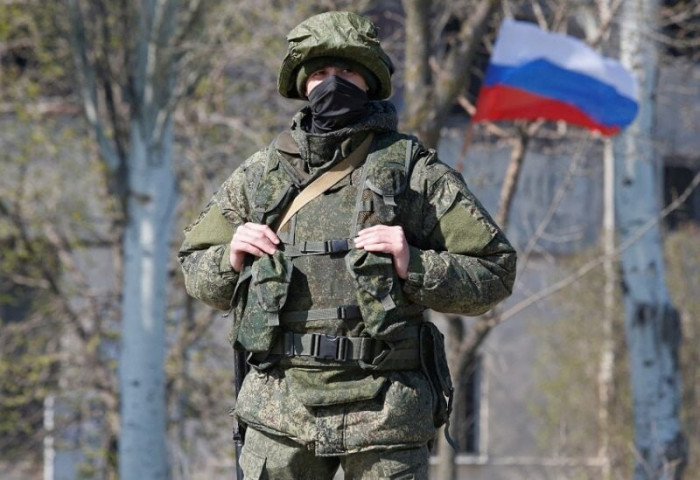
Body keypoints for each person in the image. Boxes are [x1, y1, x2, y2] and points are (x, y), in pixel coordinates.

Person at [179, 10, 516, 480]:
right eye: (320, 72)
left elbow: (495, 271)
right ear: (303, 84)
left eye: (347, 72)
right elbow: (195, 266)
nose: (332, 83)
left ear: (369, 81)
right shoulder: (261, 175)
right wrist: (230, 257)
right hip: (280, 411)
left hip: (385, 413)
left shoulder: (414, 172)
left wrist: (414, 263)